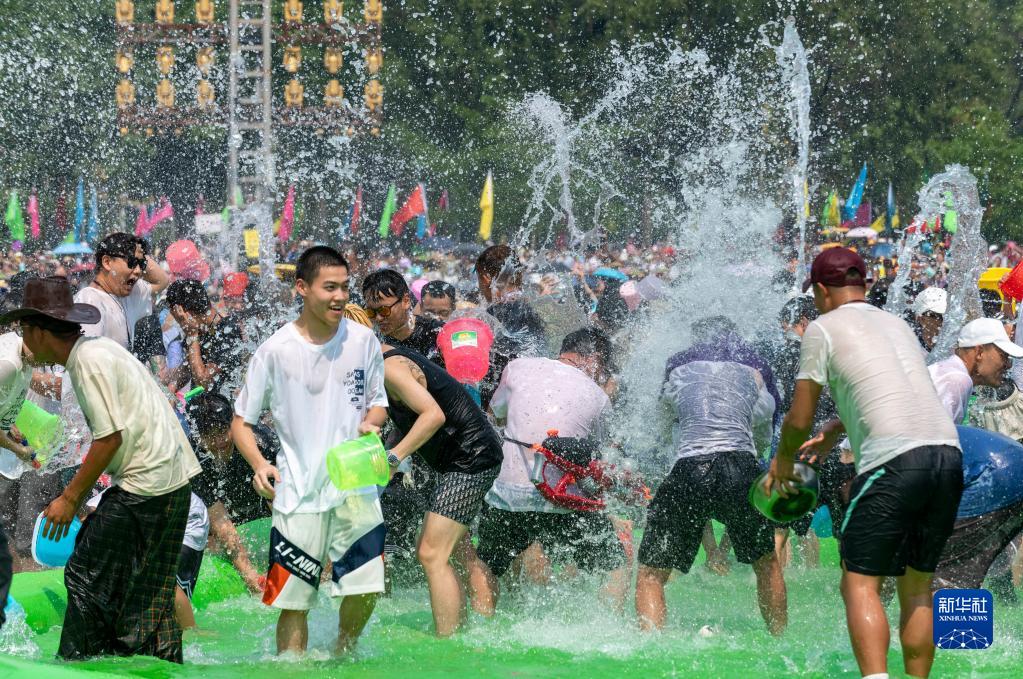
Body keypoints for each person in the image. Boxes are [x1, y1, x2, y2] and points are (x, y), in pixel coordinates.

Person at [765, 247, 963, 679]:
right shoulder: (897, 324)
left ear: (821, 290)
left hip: (893, 462)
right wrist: (838, 428)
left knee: (858, 582)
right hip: (947, 455)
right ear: (864, 284)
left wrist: (782, 462)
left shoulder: (822, 328)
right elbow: (900, 391)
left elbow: (799, 418)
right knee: (917, 586)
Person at [5, 276, 201, 663]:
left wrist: (69, 498)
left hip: (147, 486)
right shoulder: (98, 351)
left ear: (40, 331)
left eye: (25, 330)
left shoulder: (86, 363)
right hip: (171, 485)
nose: (23, 340)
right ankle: (159, 662)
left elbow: (108, 439)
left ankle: (77, 664)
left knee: (84, 570)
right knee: (151, 592)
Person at [232, 246, 389, 656]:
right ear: (302, 288)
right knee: (293, 602)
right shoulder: (275, 350)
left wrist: (373, 422)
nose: (340, 297)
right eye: (330, 288)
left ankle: (343, 650)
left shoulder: (363, 340)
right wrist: (259, 464)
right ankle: (291, 668)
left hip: (356, 489)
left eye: (345, 288)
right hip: (298, 494)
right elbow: (241, 423)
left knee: (367, 587)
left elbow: (378, 403)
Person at [635, 316, 786, 636]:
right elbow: (764, 427)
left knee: (651, 572)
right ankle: (779, 637)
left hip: (690, 466)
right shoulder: (754, 371)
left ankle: (649, 644)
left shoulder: (678, 368)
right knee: (766, 563)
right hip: (741, 467)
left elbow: (663, 422)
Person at [474, 328, 627, 612]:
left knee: (485, 564)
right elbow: (598, 456)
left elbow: (496, 416)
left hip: (508, 494)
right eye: (603, 368)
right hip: (561, 499)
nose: (602, 375)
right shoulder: (598, 397)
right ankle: (611, 625)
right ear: (593, 359)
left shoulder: (517, 367)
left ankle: (483, 623)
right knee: (615, 567)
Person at [377, 341, 503, 635]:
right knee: (447, 548)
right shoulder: (380, 365)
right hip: (459, 460)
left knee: (431, 553)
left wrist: (394, 457)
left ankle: (448, 640)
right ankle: (464, 629)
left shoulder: (389, 367)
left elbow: (433, 415)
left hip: (472, 458)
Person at [186, 392, 279, 594]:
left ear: (233, 425)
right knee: (209, 539)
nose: (219, 441)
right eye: (210, 435)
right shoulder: (194, 458)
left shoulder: (259, 446)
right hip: (230, 521)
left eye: (223, 431)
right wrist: (249, 574)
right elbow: (218, 518)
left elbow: (282, 507)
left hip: (264, 512)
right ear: (199, 435)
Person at [474, 245, 547, 408]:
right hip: (536, 391)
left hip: (505, 400)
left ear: (486, 279)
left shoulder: (494, 314)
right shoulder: (530, 309)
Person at [74, 232, 170, 350]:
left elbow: (162, 281)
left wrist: (139, 251)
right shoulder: (89, 301)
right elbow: (86, 355)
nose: (138, 271)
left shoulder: (128, 295)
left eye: (141, 264)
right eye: (132, 262)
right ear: (107, 262)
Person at [928, 317, 1021, 424]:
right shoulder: (957, 380)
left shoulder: (949, 370)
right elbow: (933, 433)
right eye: (1003, 356)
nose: (1008, 365)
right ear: (979, 352)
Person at [166, 279, 246, 398]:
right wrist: (168, 392)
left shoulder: (228, 330)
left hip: (221, 406)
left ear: (187, 314)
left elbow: (203, 382)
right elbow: (186, 369)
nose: (179, 323)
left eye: (178, 318)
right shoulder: (199, 330)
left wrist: (192, 336)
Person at [362, 269, 444, 363]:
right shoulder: (373, 342)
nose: (378, 318)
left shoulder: (436, 332)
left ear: (406, 301)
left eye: (384, 310)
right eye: (370, 312)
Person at [912, 286, 946, 352]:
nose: (945, 320)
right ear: (921, 319)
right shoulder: (910, 351)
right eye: (939, 316)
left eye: (947, 315)